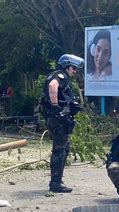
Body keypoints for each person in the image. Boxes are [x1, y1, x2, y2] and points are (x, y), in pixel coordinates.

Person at [41, 54, 84, 193]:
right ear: (66, 66)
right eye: (73, 68)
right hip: (58, 119)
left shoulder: (55, 75)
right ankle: (55, 184)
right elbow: (53, 86)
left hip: (55, 118)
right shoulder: (60, 76)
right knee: (60, 150)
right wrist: (56, 107)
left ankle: (57, 181)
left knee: (63, 148)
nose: (74, 71)